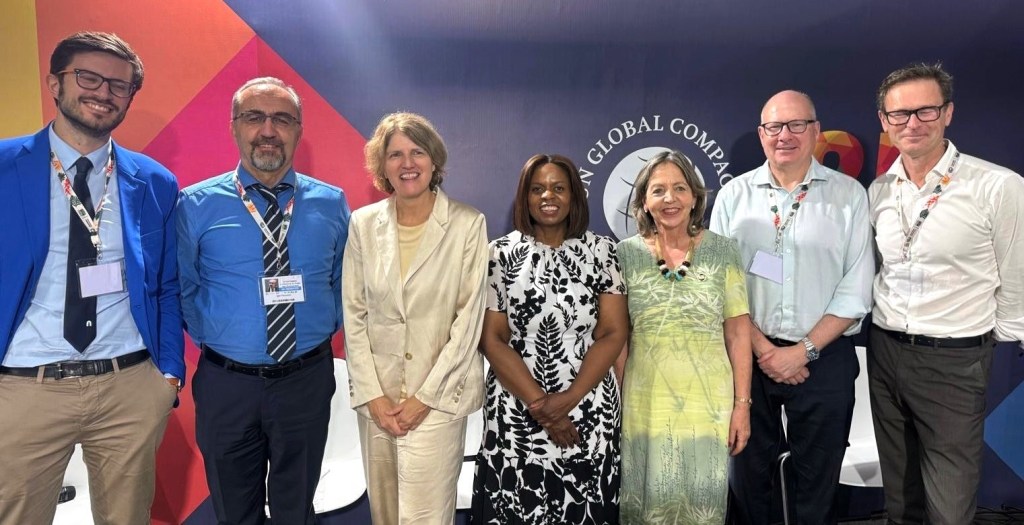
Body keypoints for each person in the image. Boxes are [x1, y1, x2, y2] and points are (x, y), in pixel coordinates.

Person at [0, 31, 183, 524]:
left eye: (119, 86)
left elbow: (167, 284)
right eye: (88, 77)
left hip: (128, 385)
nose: (103, 93)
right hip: (23, 388)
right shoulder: (3, 166)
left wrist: (167, 374)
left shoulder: (155, 182)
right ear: (54, 83)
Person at [176, 76, 350, 524]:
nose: (268, 130)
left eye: (283, 119)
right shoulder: (195, 205)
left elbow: (342, 282)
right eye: (255, 117)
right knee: (235, 511)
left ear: (299, 130)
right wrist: (222, 336)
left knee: (297, 509)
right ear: (234, 126)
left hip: (305, 381)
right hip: (226, 385)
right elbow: (184, 287)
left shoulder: (331, 204)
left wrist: (316, 331)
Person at [869, 63, 1024, 525]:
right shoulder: (879, 190)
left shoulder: (998, 186)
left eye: (925, 111)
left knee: (950, 504)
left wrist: (983, 344)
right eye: (899, 115)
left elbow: (1017, 276)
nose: (912, 124)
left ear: (948, 113)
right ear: (884, 122)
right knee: (900, 495)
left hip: (956, 359)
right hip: (885, 350)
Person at [710, 90, 874, 524]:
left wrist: (802, 352)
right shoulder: (732, 196)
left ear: (817, 131)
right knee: (748, 477)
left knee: (817, 482)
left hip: (824, 358)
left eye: (796, 125)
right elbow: (724, 288)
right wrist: (765, 352)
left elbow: (856, 289)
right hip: (748, 358)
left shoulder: (849, 196)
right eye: (774, 127)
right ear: (761, 134)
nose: (785, 135)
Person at [343, 112, 488, 524]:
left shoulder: (467, 224)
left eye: (417, 152)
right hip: (378, 403)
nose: (407, 163)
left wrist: (424, 399)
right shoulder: (363, 224)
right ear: (382, 165)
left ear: (434, 160)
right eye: (395, 155)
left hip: (437, 403)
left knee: (425, 518)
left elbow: (468, 322)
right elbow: (353, 314)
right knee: (385, 516)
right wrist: (373, 395)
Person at [471, 154, 629, 524]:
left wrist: (567, 400)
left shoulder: (603, 252)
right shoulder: (499, 254)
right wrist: (541, 405)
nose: (548, 196)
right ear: (524, 197)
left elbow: (612, 332)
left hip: (589, 409)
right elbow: (492, 339)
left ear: (574, 195)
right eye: (537, 189)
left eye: (559, 188)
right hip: (517, 411)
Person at [617, 150, 752, 524]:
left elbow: (739, 333)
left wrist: (742, 404)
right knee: (648, 505)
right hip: (644, 400)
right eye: (658, 190)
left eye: (679, 188)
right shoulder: (623, 255)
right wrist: (622, 394)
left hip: (708, 404)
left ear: (695, 197)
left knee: (701, 506)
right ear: (644, 201)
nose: (670, 199)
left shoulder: (723, 251)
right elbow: (618, 338)